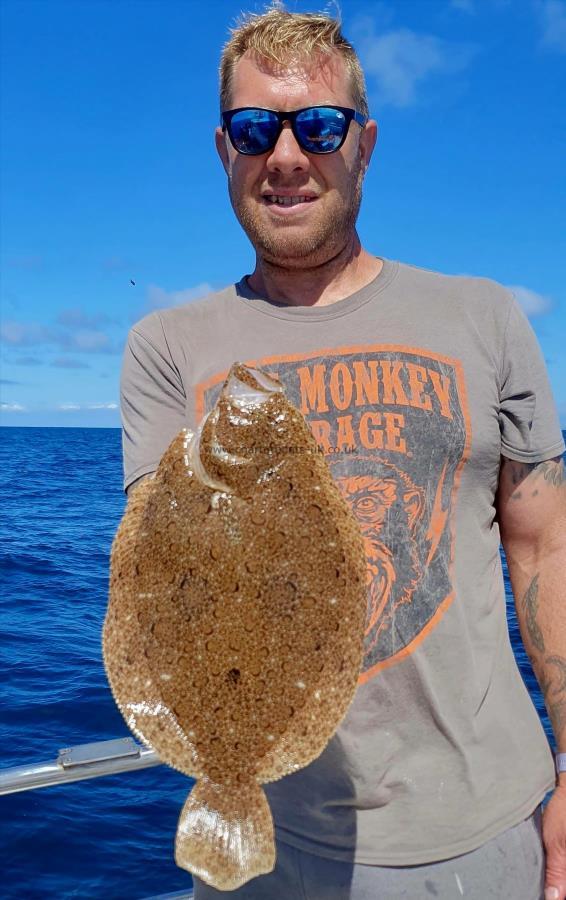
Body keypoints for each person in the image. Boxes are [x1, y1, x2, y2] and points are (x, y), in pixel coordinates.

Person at [119, 7, 566, 899]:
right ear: (224, 150)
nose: (287, 155)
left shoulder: (483, 317)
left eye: (318, 125)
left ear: (363, 144)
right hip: (266, 852)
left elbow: (546, 548)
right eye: (256, 128)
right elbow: (155, 579)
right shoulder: (165, 345)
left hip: (478, 834)